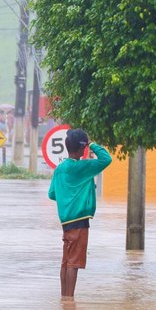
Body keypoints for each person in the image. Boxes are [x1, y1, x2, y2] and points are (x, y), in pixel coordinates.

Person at [48, 129, 112, 301]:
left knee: (66, 261)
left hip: (66, 222)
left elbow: (52, 194)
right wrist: (92, 144)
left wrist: (67, 195)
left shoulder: (60, 168)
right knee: (74, 263)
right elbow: (107, 159)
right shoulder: (83, 167)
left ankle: (64, 298)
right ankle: (69, 301)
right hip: (80, 221)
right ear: (82, 148)